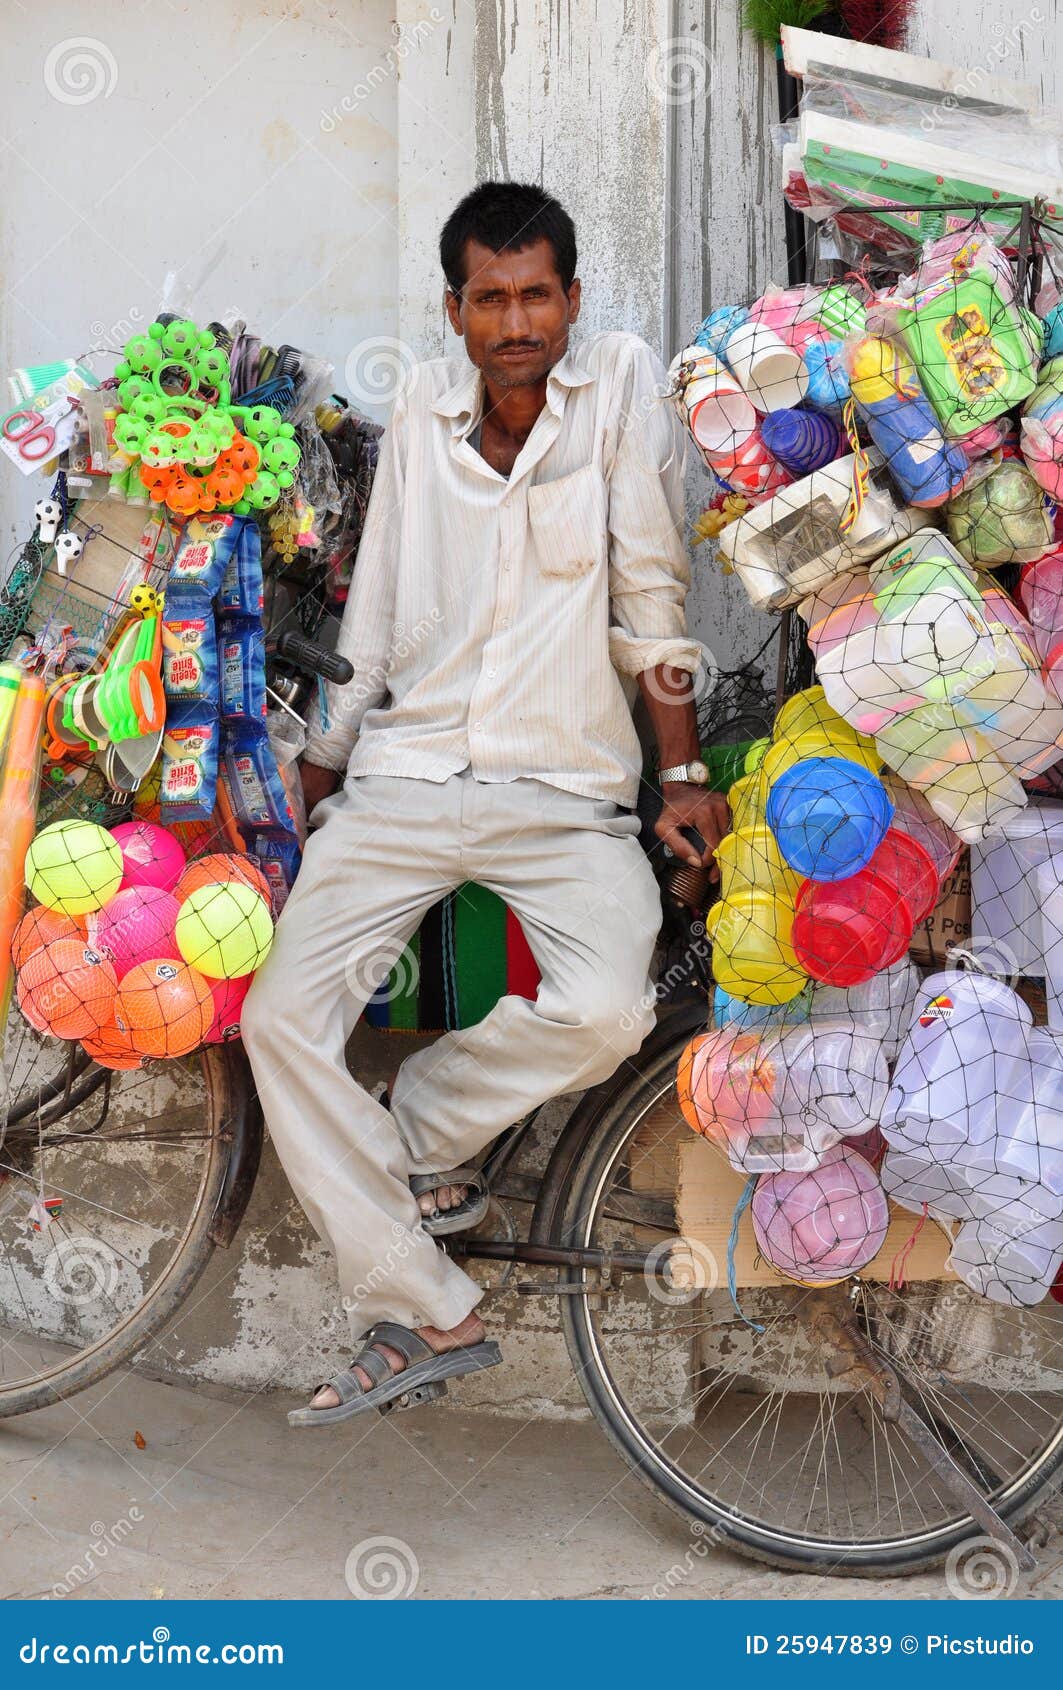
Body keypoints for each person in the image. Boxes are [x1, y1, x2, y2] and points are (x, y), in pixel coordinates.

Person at [242, 180, 728, 1427]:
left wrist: (681, 776)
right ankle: (426, 1307)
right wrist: (321, 762)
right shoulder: (421, 404)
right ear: (454, 309)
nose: (516, 323)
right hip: (406, 774)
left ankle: (410, 1137)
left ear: (572, 298)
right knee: (280, 1019)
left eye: (536, 296)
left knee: (610, 1008)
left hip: (564, 791)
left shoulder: (617, 388)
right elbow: (377, 605)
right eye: (490, 298)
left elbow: (651, 597)